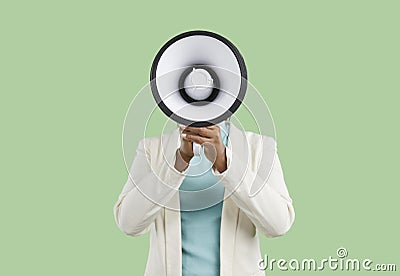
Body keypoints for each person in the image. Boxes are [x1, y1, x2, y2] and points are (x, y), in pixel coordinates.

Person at [113, 120, 295, 276]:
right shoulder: (152, 149)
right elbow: (128, 223)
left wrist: (225, 163)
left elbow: (279, 224)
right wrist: (179, 161)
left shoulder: (260, 147)